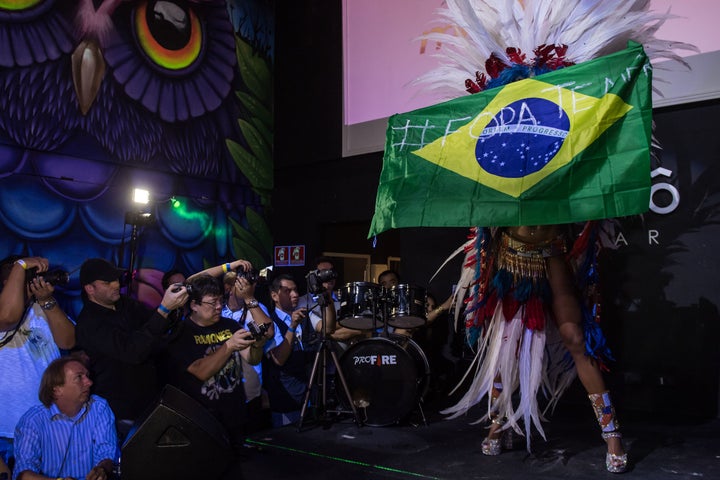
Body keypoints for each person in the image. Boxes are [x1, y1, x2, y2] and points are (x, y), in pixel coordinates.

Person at [75, 257, 188, 440]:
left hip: (151, 402)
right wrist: (164, 309)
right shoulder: (89, 323)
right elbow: (132, 352)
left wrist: (174, 310)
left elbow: (156, 329)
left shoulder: (125, 304)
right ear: (90, 289)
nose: (115, 284)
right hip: (120, 411)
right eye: (107, 282)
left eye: (116, 279)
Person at [161, 274, 264, 447]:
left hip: (234, 414)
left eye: (220, 301)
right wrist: (228, 346)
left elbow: (252, 359)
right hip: (201, 419)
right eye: (212, 303)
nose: (218, 307)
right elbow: (200, 372)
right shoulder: (182, 333)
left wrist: (258, 345)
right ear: (194, 305)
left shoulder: (230, 325)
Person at [0, 256, 75, 471]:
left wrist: (47, 301)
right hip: (2, 427)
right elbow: (7, 317)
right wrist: (21, 265)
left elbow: (68, 341)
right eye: (27, 276)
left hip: (41, 426)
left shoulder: (44, 309)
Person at [12, 356, 117, 480]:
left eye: (87, 376)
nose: (89, 382)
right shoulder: (33, 421)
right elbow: (23, 473)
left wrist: (102, 469)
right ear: (57, 390)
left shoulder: (99, 408)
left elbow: (107, 454)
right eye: (79, 377)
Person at [221, 268, 274, 432]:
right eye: (241, 283)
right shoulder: (218, 309)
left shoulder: (255, 308)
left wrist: (249, 298)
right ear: (229, 287)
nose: (248, 286)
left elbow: (269, 332)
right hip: (222, 390)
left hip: (249, 392)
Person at [262, 274, 311, 427]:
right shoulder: (270, 324)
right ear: (274, 295)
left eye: (295, 290)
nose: (295, 294)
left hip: (309, 396)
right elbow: (279, 359)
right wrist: (292, 326)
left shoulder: (304, 317)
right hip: (286, 399)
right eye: (287, 291)